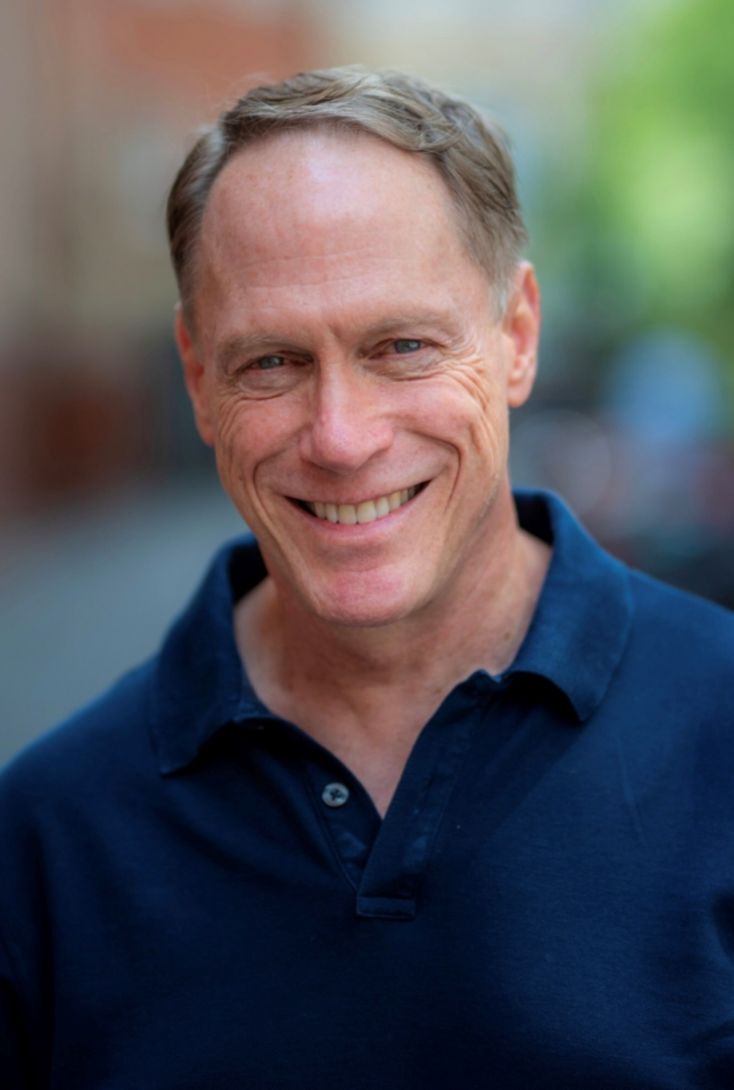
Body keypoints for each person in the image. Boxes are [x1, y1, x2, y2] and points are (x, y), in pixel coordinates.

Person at [2, 67, 734, 1090]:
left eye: (400, 346)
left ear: (515, 337)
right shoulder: (43, 838)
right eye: (271, 363)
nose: (341, 439)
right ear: (197, 379)